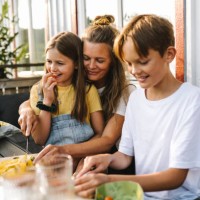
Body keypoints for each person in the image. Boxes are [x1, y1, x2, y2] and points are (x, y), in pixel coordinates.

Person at [74, 14, 200, 200]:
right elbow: (124, 156)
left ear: (169, 54)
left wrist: (108, 181)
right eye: (129, 63)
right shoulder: (136, 99)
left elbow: (176, 177)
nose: (134, 71)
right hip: (139, 195)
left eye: (142, 62)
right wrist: (106, 159)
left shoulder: (192, 100)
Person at [18, 15, 135, 173]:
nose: (91, 66)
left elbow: (106, 140)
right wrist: (25, 109)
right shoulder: (73, 80)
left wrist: (64, 151)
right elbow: (39, 99)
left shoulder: (124, 92)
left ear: (113, 62)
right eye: (86, 58)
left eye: (99, 60)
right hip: (65, 155)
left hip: (110, 157)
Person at [26, 32, 104, 170]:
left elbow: (100, 133)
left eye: (60, 63)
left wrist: (80, 156)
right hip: (54, 161)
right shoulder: (37, 90)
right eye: (49, 61)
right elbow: (39, 139)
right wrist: (47, 101)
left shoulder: (87, 90)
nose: (53, 68)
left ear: (75, 64)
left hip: (84, 157)